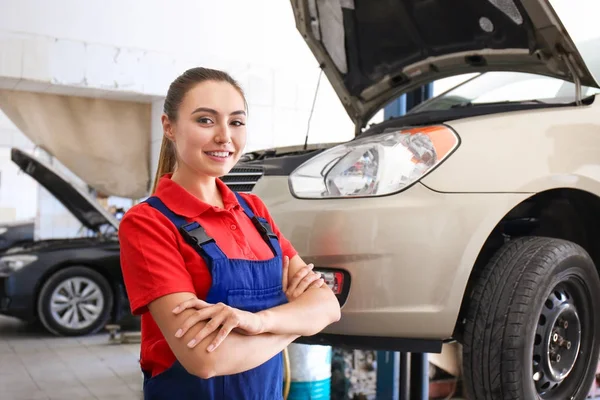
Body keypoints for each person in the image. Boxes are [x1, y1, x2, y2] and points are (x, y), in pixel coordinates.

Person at [118, 67, 342, 400]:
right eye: (206, 121)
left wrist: (260, 323)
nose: (225, 136)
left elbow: (328, 307)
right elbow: (207, 358)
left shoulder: (255, 212)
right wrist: (295, 324)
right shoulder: (148, 223)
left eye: (236, 122)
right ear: (169, 127)